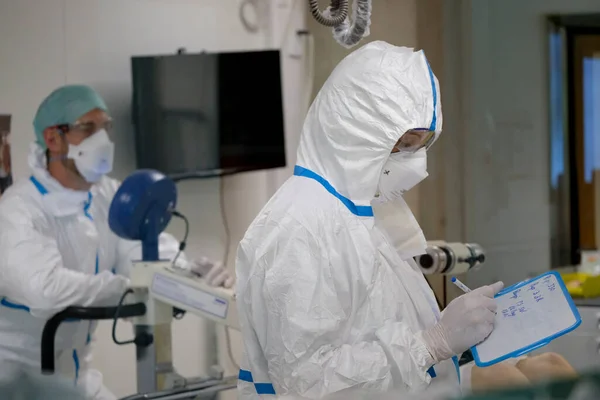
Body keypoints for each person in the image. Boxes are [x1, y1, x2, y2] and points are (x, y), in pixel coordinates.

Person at [235, 41, 503, 399]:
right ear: (358, 130)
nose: (417, 163)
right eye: (404, 144)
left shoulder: (362, 211)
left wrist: (456, 333)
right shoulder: (300, 227)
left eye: (422, 144)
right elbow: (308, 382)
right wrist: (431, 344)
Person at [0, 84, 235, 400]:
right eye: (88, 128)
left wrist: (190, 274)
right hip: (18, 382)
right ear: (53, 139)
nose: (103, 139)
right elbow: (45, 290)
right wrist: (126, 287)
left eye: (106, 127)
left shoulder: (106, 195)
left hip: (79, 379)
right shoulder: (19, 209)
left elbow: (141, 251)